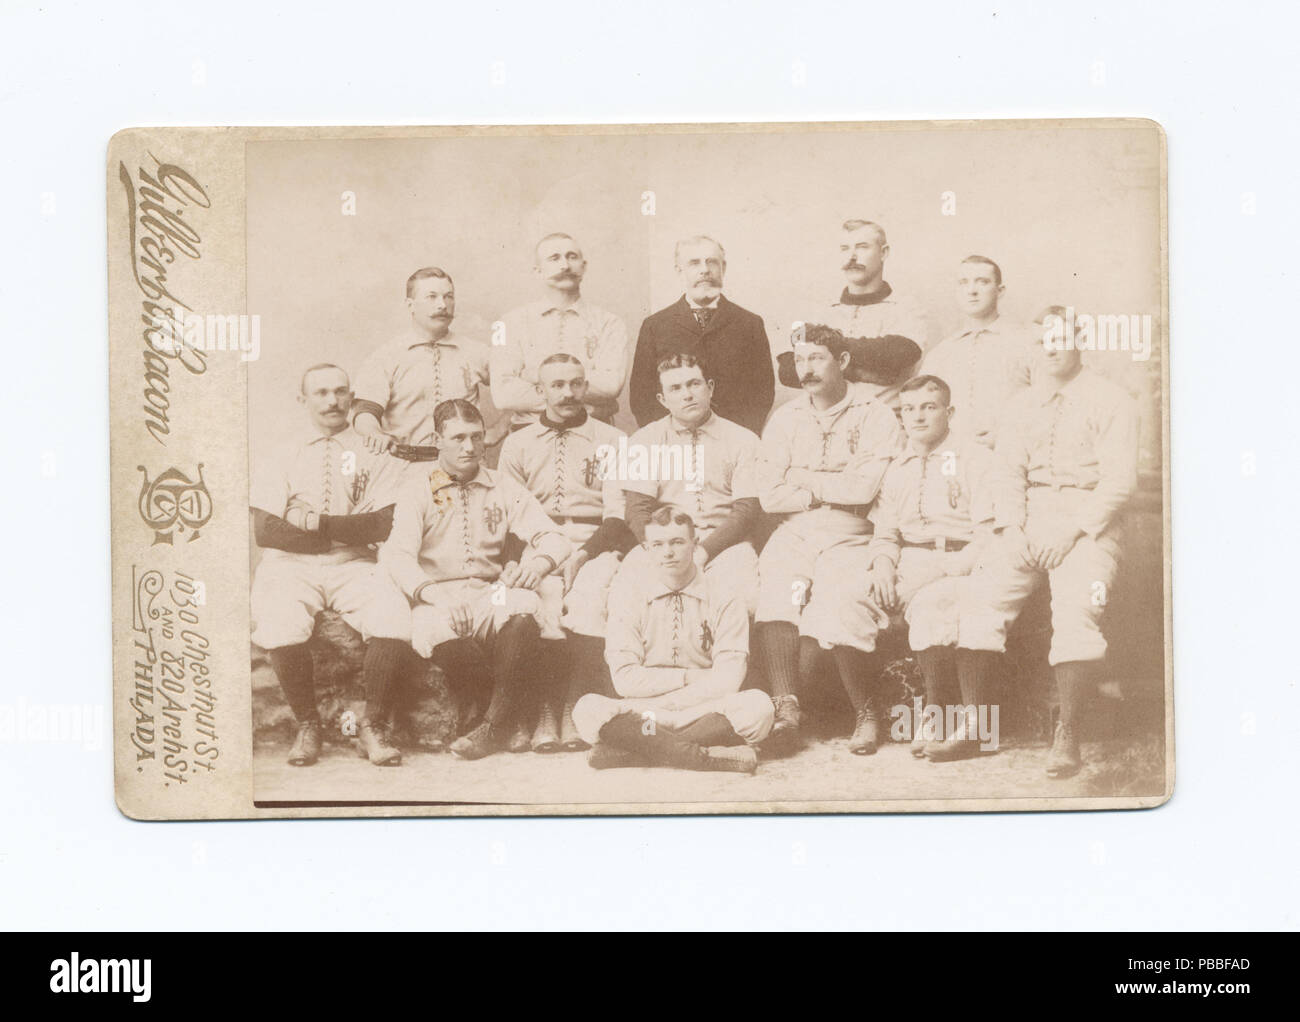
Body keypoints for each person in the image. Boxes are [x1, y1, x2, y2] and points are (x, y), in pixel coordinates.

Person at [957, 306, 1139, 777]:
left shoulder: (1111, 398)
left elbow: (1120, 481)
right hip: (1029, 518)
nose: (1050, 348)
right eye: (1041, 342)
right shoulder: (1020, 405)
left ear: (1080, 338)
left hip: (1088, 521)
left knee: (1076, 609)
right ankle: (976, 724)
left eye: (1060, 338)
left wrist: (1073, 528)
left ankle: (1068, 734)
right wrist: (1013, 529)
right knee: (979, 599)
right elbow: (1007, 474)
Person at [374, 399, 573, 760]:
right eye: (458, 438)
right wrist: (436, 596)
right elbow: (398, 555)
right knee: (439, 632)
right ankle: (504, 716)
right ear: (438, 439)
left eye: (477, 437)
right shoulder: (417, 487)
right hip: (438, 594)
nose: (469, 447)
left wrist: (539, 563)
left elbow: (554, 536)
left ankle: (494, 725)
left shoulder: (503, 485)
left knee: (524, 608)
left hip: (489, 591)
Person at [249, 364, 411, 766]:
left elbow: (382, 524)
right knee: (280, 621)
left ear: (352, 399)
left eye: (340, 392)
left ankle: (372, 725)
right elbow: (268, 531)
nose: (332, 401)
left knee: (393, 615)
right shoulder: (281, 453)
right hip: (289, 564)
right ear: (302, 400)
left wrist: (309, 520)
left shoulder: (374, 452)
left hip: (353, 563)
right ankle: (308, 724)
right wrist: (346, 527)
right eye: (320, 393)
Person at [753, 324, 903, 752]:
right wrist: (833, 483)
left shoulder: (874, 413)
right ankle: (787, 708)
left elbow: (865, 490)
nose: (807, 369)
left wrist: (801, 478)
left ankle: (865, 711)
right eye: (800, 360)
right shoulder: (786, 418)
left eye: (817, 358)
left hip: (852, 532)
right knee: (778, 588)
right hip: (797, 529)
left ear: (843, 361)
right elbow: (769, 495)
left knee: (837, 605)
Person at [498, 354, 636, 752]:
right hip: (536, 541)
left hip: (596, 541)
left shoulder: (611, 440)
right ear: (539, 391)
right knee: (535, 601)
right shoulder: (518, 443)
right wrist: (510, 561)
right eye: (556, 385)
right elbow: (509, 512)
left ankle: (573, 707)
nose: (567, 393)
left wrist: (584, 554)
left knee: (589, 598)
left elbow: (617, 514)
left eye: (576, 384)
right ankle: (542, 709)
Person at [571, 508, 774, 773]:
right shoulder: (628, 596)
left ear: (695, 544)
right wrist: (689, 679)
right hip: (645, 709)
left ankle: (637, 752)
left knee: (758, 707)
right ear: (646, 549)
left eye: (677, 542)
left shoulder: (725, 596)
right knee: (587, 710)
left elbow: (729, 679)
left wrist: (676, 697)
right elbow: (624, 680)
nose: (668, 552)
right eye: (658, 544)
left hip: (703, 709)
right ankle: (699, 756)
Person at [861, 375, 996, 761]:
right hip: (909, 558)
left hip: (962, 558)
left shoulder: (975, 458)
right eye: (908, 409)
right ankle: (864, 714)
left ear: (949, 412)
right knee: (849, 600)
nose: (917, 417)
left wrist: (947, 568)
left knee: (932, 602)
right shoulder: (896, 466)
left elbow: (988, 534)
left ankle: (938, 715)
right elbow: (885, 533)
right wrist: (884, 566)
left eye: (928, 407)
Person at [617, 353, 762, 611]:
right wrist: (660, 547)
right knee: (628, 597)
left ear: (710, 387)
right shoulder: (645, 440)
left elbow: (747, 510)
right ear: (662, 400)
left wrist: (704, 551)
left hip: (725, 543)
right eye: (675, 388)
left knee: (743, 599)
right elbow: (637, 509)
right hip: (664, 541)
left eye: (694, 384)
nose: (687, 394)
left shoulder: (743, 440)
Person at [350, 267, 498, 497]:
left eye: (448, 296)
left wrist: (500, 428)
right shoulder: (388, 355)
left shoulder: (477, 352)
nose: (442, 305)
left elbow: (519, 388)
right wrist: (374, 433)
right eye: (432, 297)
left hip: (464, 470)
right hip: (404, 471)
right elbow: (364, 411)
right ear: (410, 305)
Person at [628, 235, 775, 435]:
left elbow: (762, 392)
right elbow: (642, 396)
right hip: (674, 440)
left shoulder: (749, 323)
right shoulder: (655, 325)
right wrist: (669, 436)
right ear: (680, 271)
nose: (705, 270)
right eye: (694, 263)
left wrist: (739, 437)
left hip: (733, 441)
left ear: (723, 268)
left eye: (712, 262)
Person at [779, 219, 931, 407]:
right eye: (844, 248)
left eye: (862, 247)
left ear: (884, 252)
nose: (851, 257)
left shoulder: (906, 308)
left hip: (884, 425)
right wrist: (862, 372)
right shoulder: (820, 310)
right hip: (827, 424)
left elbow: (901, 353)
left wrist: (824, 356)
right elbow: (787, 370)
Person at [491, 233, 631, 427]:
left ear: (584, 266)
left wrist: (533, 376)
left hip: (594, 433)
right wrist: (579, 390)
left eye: (572, 257)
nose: (565, 266)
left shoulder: (609, 323)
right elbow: (503, 395)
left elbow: (610, 386)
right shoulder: (511, 322)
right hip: (529, 435)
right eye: (554, 258)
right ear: (538, 270)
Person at [920, 255, 1031, 448]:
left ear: (1000, 291)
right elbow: (921, 413)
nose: (972, 291)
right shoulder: (941, 353)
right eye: (964, 283)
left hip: (1012, 456)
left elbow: (1051, 405)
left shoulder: (1025, 343)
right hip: (953, 460)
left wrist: (1007, 437)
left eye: (983, 282)